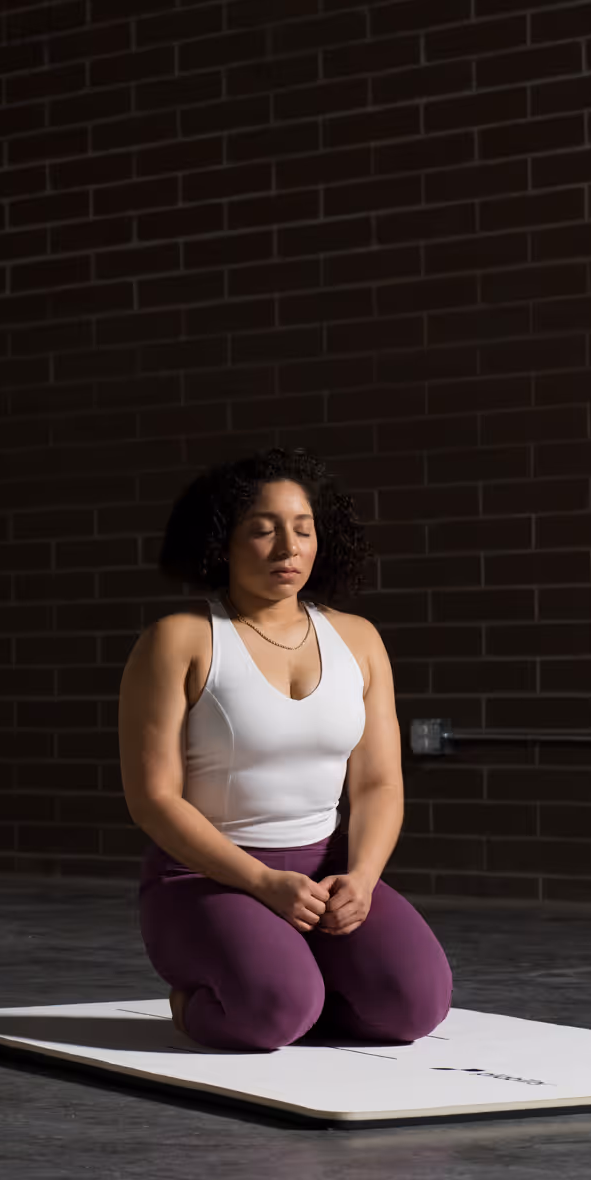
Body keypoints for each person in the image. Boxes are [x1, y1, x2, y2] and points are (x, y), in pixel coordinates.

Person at [117, 448, 451, 1052]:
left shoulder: (358, 639)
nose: (288, 548)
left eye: (303, 529)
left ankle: (299, 989)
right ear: (222, 541)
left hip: (327, 873)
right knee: (273, 1010)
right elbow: (153, 799)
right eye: (263, 530)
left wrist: (363, 879)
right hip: (206, 876)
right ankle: (203, 1005)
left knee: (414, 1007)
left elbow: (378, 783)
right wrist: (263, 883)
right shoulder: (180, 640)